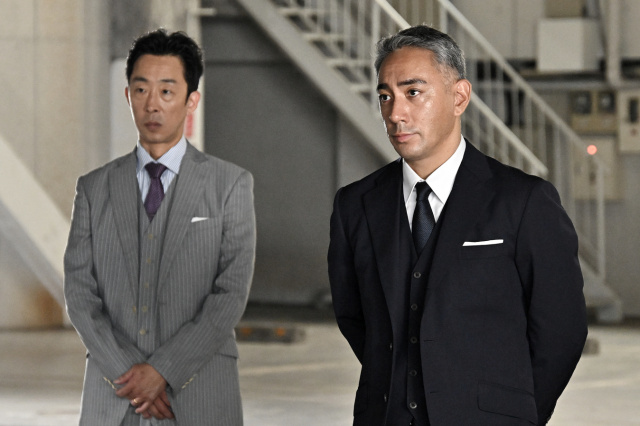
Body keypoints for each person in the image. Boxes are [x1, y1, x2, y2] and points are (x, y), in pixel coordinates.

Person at [328, 25, 587, 426]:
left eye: (413, 92)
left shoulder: (523, 201)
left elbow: (561, 329)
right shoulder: (355, 205)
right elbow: (355, 318)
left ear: (459, 97)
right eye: (385, 96)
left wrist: (513, 413)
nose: (395, 114)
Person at [64, 29, 256, 425]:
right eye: (141, 90)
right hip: (114, 396)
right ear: (128, 96)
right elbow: (80, 292)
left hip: (201, 393)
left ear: (191, 100)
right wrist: (130, 377)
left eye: (167, 91)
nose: (152, 104)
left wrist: (163, 371)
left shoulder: (230, 184)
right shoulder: (93, 188)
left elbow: (230, 294)